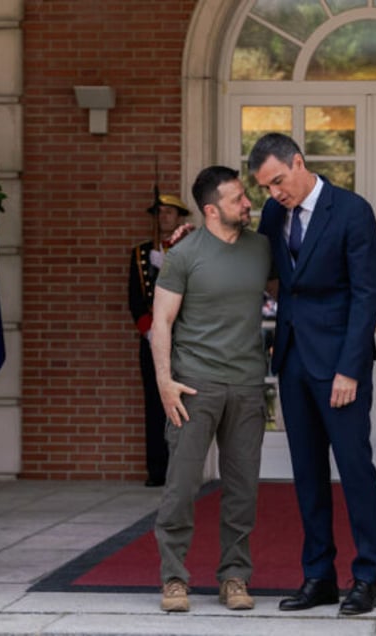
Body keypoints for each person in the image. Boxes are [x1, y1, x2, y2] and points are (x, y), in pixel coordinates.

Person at [249, 133, 376, 616]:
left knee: (354, 471)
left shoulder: (352, 211)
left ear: (299, 162)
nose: (274, 194)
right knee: (307, 474)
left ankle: (365, 577)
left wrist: (350, 369)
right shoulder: (271, 215)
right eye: (265, 187)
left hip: (340, 366)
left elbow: (367, 294)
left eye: (278, 182)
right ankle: (318, 576)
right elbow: (253, 264)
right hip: (292, 360)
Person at [151, 166, 271, 613]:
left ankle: (235, 577)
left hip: (247, 386)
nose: (247, 203)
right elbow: (161, 322)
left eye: (244, 195)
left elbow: (292, 291)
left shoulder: (261, 248)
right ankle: (174, 579)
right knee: (181, 487)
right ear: (211, 210)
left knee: (242, 490)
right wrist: (165, 383)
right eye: (238, 198)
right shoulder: (184, 253)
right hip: (193, 387)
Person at [128, 192, 192, 487]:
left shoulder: (189, 249)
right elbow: (135, 300)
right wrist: (151, 330)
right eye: (160, 212)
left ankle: (183, 469)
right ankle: (157, 469)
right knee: (154, 404)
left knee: (188, 402)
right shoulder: (141, 253)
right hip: (154, 337)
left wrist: (168, 261)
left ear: (180, 217)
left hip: (185, 338)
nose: (164, 217)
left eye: (170, 212)